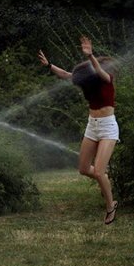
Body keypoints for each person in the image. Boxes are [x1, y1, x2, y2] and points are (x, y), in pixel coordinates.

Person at [37, 35, 119, 224]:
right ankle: (104, 179)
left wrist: (91, 56)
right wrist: (49, 65)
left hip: (108, 127)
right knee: (83, 169)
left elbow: (99, 70)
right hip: (92, 125)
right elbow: (67, 75)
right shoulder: (88, 82)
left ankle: (110, 206)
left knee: (98, 172)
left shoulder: (107, 79)